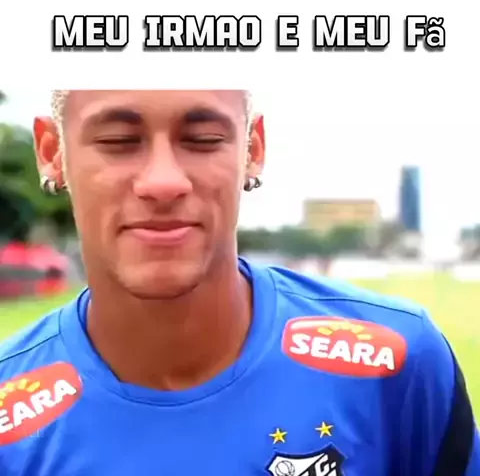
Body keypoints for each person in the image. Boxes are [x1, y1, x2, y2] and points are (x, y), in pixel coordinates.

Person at [0, 90, 478, 476]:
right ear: (52, 153)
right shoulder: (10, 414)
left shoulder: (397, 364)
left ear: (253, 149)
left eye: (203, 139)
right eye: (119, 140)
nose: (163, 181)